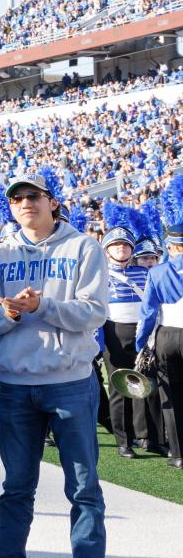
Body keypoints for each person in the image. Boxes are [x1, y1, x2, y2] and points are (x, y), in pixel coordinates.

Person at [0, 171, 108, 558]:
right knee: (16, 488)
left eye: (33, 195)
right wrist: (8, 312)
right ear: (10, 208)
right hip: (15, 385)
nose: (25, 202)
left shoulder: (84, 247)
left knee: (83, 491)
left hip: (69, 382)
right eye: (17, 198)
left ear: (51, 201)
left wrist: (40, 306)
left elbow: (94, 311)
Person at [137, 178, 183, 469]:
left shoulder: (158, 272)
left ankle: (177, 454)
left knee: (171, 396)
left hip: (167, 337)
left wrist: (141, 346)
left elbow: (147, 314)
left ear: (169, 245)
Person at [99, 205, 150, 459]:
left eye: (126, 245)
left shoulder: (145, 273)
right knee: (119, 388)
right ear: (107, 249)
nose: (122, 249)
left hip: (142, 334)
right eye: (116, 245)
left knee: (142, 386)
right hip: (114, 333)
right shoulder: (99, 275)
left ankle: (144, 436)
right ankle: (123, 440)